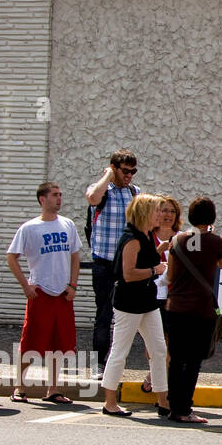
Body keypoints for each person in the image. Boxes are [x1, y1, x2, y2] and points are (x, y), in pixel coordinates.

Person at [5, 182, 81, 404]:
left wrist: (73, 285)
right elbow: (11, 257)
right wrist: (26, 286)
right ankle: (19, 386)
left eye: (60, 195)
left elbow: (75, 256)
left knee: (60, 343)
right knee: (32, 342)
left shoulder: (67, 224)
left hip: (62, 294)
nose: (59, 199)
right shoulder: (29, 228)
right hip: (40, 294)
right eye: (54, 195)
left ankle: (53, 389)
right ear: (42, 199)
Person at [100, 193, 169, 417]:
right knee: (120, 351)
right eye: (157, 210)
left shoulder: (147, 235)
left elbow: (143, 259)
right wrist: (155, 270)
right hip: (129, 303)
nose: (161, 214)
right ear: (145, 213)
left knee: (159, 350)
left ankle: (163, 400)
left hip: (148, 301)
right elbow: (128, 273)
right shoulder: (132, 238)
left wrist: (157, 254)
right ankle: (110, 402)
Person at [164, 196, 222, 424]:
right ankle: (185, 408)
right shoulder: (217, 242)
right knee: (193, 361)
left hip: (176, 306)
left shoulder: (177, 240)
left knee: (176, 359)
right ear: (212, 216)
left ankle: (173, 406)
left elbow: (170, 275)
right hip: (201, 309)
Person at [84, 148, 140, 375]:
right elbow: (92, 198)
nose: (128, 176)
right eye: (125, 171)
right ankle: (99, 363)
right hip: (104, 262)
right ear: (114, 168)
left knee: (129, 315)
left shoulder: (135, 193)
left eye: (132, 172)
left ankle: (117, 362)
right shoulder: (102, 190)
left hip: (127, 264)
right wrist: (108, 176)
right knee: (104, 314)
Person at [141, 195, 181, 393]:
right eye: (164, 210)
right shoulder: (147, 236)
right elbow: (141, 262)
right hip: (153, 293)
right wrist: (159, 250)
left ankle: (155, 379)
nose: (168, 215)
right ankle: (156, 376)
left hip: (175, 296)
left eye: (172, 211)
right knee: (154, 339)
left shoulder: (183, 237)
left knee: (171, 341)